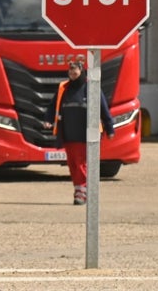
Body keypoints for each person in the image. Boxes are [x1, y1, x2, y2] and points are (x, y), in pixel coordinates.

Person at [43, 59, 115, 205]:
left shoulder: (92, 87)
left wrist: (109, 128)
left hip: (85, 134)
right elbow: (52, 106)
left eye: (75, 70)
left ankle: (82, 191)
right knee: (72, 163)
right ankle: (79, 188)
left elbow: (103, 108)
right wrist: (48, 119)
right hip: (68, 133)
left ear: (81, 71)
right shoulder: (64, 88)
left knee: (81, 163)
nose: (72, 73)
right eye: (70, 70)